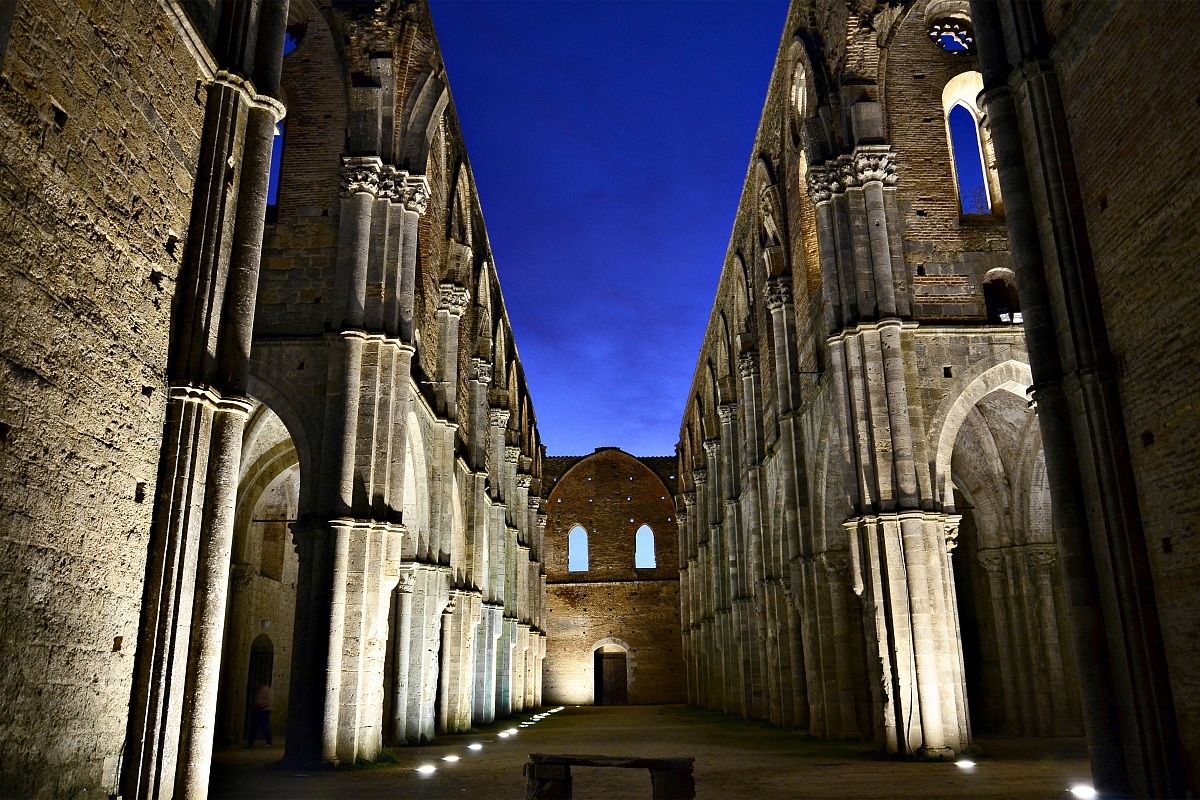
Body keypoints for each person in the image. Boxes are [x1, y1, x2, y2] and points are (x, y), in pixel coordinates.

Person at [247, 681, 273, 747]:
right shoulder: (258, 690)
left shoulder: (266, 689)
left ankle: (268, 741)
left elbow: (268, 701)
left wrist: (259, 704)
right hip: (259, 709)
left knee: (264, 726)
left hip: (264, 709)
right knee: (254, 726)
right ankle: (250, 742)